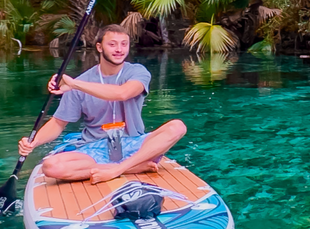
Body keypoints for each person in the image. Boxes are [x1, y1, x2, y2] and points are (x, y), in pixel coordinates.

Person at [18, 26, 189, 188]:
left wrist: (76, 84)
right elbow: (58, 123)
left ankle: (119, 168)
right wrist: (34, 142)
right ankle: (134, 167)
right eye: (112, 44)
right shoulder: (79, 83)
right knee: (50, 167)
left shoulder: (138, 72)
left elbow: (122, 93)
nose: (119, 49)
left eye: (124, 44)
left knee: (177, 127)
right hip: (95, 147)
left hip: (134, 142)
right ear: (99, 47)